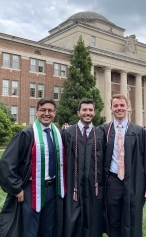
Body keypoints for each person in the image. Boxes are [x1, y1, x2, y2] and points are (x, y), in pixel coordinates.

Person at [0, 98, 65, 237]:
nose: (46, 113)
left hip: (52, 189)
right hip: (31, 190)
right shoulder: (27, 134)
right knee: (29, 229)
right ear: (36, 112)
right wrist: (17, 188)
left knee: (48, 228)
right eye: (43, 110)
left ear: (55, 113)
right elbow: (6, 164)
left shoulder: (58, 135)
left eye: (50, 110)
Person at [100, 94, 146, 237]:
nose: (119, 108)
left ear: (128, 107)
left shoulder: (138, 131)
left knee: (133, 218)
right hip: (113, 182)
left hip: (134, 182)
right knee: (113, 219)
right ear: (111, 108)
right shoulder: (103, 131)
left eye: (122, 105)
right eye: (116, 106)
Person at [61, 99, 104, 237]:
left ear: (95, 113)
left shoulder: (100, 134)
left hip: (93, 187)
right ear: (78, 112)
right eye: (84, 110)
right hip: (73, 186)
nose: (88, 113)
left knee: (92, 221)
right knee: (72, 221)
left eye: (90, 110)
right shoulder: (68, 133)